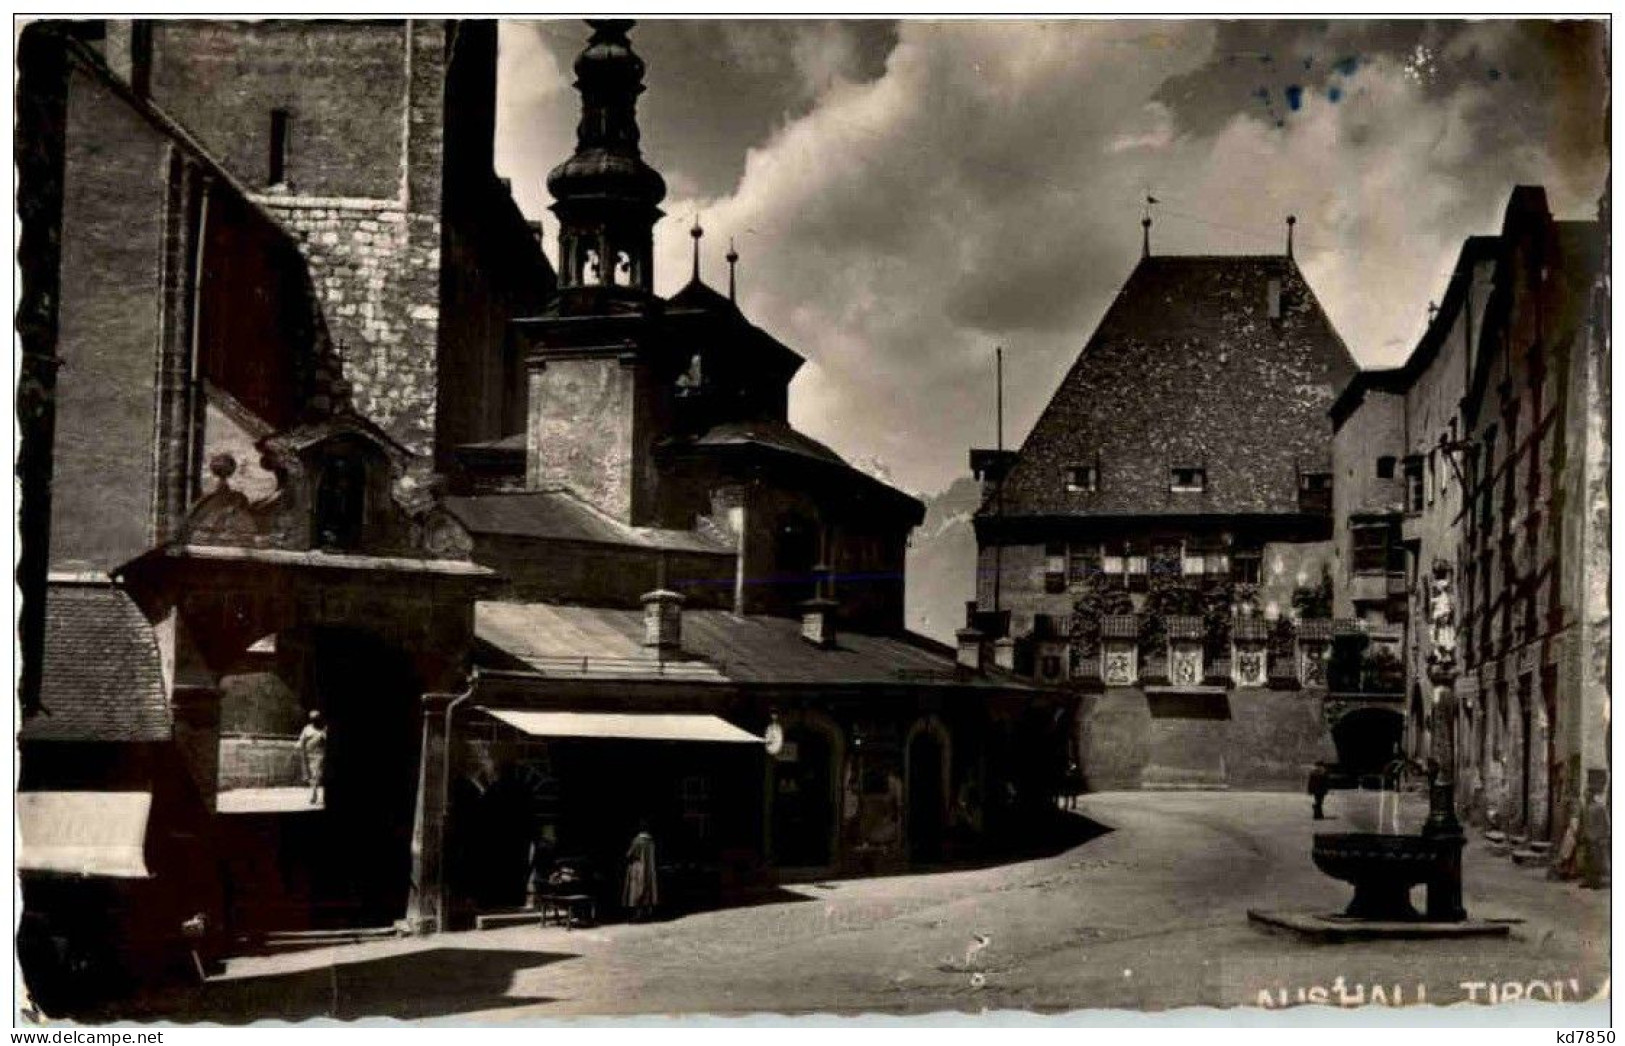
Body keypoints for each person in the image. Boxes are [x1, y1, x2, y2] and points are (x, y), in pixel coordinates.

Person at [623, 821, 659, 922]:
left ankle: (638, 914)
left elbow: (630, 854)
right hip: (650, 869)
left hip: (638, 868)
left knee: (636, 891)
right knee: (648, 890)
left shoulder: (637, 841)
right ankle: (648, 912)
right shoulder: (651, 841)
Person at [298, 710, 328, 805]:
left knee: (316, 775)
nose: (315, 721)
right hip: (308, 755)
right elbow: (302, 740)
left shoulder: (323, 729)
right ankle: (314, 794)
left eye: (316, 719)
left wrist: (323, 735)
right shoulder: (307, 729)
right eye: (313, 719)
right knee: (311, 776)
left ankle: (314, 795)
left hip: (319, 755)